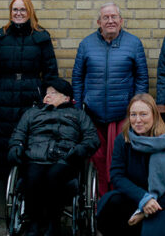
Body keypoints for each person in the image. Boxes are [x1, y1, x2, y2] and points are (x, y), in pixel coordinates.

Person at [72, 2, 149, 196]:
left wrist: (136, 111)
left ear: (121, 20)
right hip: (93, 115)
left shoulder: (133, 43)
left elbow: (141, 78)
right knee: (96, 161)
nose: (110, 21)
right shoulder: (86, 44)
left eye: (114, 17)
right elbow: (77, 78)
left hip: (122, 116)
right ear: (99, 21)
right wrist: (78, 111)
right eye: (106, 17)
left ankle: (119, 199)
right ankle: (98, 202)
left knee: (119, 161)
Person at [7, 78, 100, 236]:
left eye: (53, 93)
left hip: (65, 159)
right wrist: (16, 146)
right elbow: (19, 134)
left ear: (67, 98)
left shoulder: (78, 115)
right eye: (46, 93)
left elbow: (92, 138)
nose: (47, 96)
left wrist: (79, 149)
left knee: (54, 176)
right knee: (33, 176)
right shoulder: (32, 113)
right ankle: (34, 223)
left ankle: (53, 223)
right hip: (35, 157)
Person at [0, 0, 58, 180]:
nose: (18, 13)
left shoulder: (41, 37)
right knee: (5, 146)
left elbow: (50, 74)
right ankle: (9, 199)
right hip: (3, 100)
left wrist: (49, 105)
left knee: (30, 146)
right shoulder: (1, 37)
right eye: (15, 10)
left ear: (29, 12)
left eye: (22, 9)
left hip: (31, 98)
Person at [98, 94, 165, 236]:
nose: (138, 120)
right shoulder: (123, 140)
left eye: (143, 114)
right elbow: (117, 176)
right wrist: (143, 199)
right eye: (133, 115)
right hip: (134, 198)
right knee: (109, 204)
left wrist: (145, 211)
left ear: (154, 116)